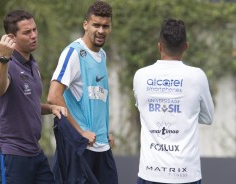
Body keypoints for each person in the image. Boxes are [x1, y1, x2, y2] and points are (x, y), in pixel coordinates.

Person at [0, 10, 67, 184]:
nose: (33, 35)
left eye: (34, 30)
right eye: (27, 32)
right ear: (11, 37)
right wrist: (3, 59)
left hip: (34, 153)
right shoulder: (3, 65)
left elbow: (29, 104)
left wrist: (51, 108)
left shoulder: (32, 64)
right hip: (10, 153)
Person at [133, 18, 214, 184]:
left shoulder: (141, 75)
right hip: (186, 174)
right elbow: (208, 117)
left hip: (150, 173)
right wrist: (185, 112)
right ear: (186, 46)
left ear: (159, 46)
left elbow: (143, 109)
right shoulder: (197, 76)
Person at [47, 1, 118, 183]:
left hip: (102, 146)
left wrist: (105, 133)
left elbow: (95, 99)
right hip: (80, 149)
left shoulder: (102, 56)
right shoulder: (73, 52)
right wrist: (80, 132)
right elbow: (54, 96)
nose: (101, 30)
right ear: (85, 25)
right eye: (96, 25)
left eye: (105, 26)